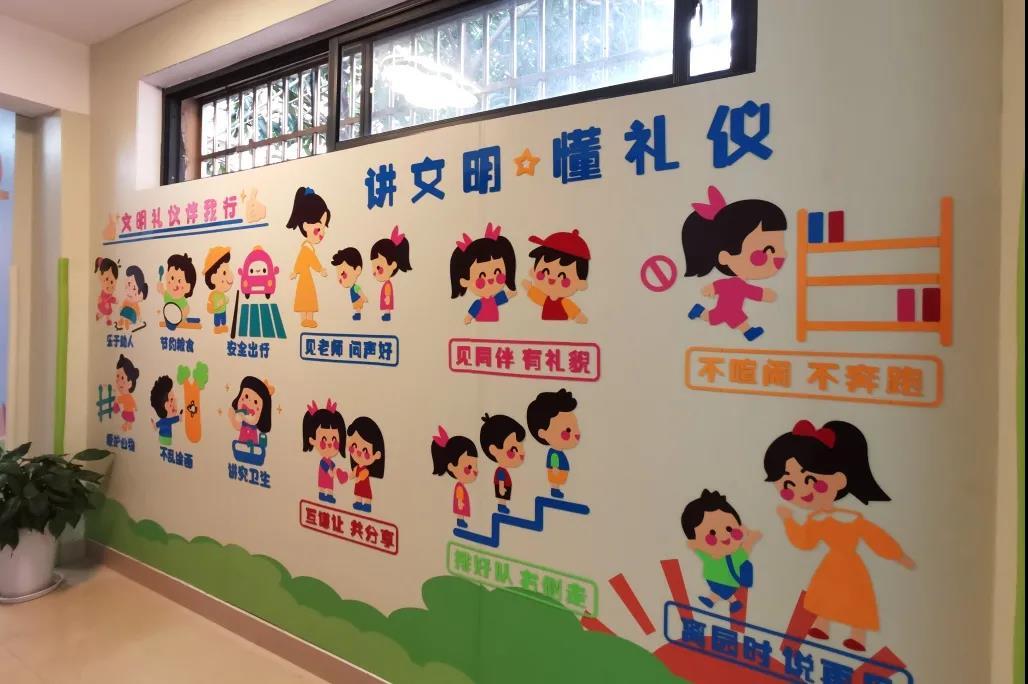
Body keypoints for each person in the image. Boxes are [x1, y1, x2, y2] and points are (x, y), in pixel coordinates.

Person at [764, 419, 916, 652]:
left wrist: (899, 556)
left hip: (851, 566)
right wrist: (788, 521)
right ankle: (822, 625)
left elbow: (876, 538)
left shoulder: (853, 518)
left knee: (856, 599)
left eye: (810, 479)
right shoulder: (816, 519)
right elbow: (804, 541)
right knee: (825, 595)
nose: (802, 491)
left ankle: (858, 635)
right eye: (788, 485)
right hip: (830, 565)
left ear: (839, 479)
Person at [681, 185, 787, 342]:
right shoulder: (737, 285)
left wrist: (711, 288)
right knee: (731, 319)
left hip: (726, 309)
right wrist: (765, 295)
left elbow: (719, 286)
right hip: (730, 310)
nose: (782, 256)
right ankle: (748, 332)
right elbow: (752, 292)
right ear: (725, 257)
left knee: (714, 317)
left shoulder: (733, 283)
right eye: (768, 250)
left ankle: (700, 311)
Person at [680, 489, 762, 613]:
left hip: (727, 581)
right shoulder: (708, 555)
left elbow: (746, 548)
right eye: (712, 533)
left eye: (729, 529)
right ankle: (718, 601)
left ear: (741, 528)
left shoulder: (735, 556)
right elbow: (697, 549)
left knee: (722, 592)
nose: (724, 536)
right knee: (718, 592)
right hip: (715, 580)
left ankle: (732, 602)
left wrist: (751, 538)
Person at [449, 223, 518, 324]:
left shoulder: (495, 300)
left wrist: (511, 294)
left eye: (497, 272)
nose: (490, 279)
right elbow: (472, 313)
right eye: (481, 276)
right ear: (464, 281)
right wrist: (468, 318)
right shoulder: (478, 304)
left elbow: (505, 296)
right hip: (482, 323)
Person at [521, 229, 590, 323]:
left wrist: (578, 316)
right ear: (534, 271)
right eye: (544, 271)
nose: (552, 279)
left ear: (579, 283)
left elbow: (573, 311)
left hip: (564, 327)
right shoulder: (546, 299)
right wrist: (529, 288)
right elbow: (538, 297)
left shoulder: (564, 302)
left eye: (563, 277)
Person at [286, 187, 330, 328]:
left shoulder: (306, 247)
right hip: (305, 278)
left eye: (324, 228)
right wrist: (320, 269)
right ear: (305, 226)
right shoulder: (306, 249)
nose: (322, 233)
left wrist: (295, 271)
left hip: (304, 277)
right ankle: (306, 319)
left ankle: (306, 319)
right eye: (319, 228)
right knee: (307, 298)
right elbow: (311, 261)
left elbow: (301, 261)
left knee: (305, 298)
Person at [526, 389, 581, 499]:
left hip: (560, 473)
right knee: (556, 481)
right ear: (542, 433)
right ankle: (555, 490)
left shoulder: (557, 452)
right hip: (556, 473)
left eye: (575, 426)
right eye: (568, 430)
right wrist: (555, 469)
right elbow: (554, 464)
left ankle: (556, 489)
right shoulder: (554, 454)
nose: (577, 433)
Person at [430, 426, 478, 529]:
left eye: (475, 466)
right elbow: (459, 497)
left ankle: (461, 520)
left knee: (462, 511)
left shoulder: (461, 486)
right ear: (451, 466)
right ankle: (460, 520)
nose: (475, 471)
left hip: (461, 504)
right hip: (460, 505)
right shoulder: (459, 487)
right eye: (469, 467)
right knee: (461, 512)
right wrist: (460, 503)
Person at [302, 399, 349, 504]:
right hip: (325, 476)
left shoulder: (331, 461)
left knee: (330, 486)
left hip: (329, 477)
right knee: (324, 485)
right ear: (312, 440)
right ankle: (322, 494)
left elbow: (333, 467)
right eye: (324, 440)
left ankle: (329, 496)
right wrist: (331, 472)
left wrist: (338, 473)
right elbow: (325, 467)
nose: (329, 444)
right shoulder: (323, 461)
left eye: (334, 439)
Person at [479, 413, 526, 513]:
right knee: (502, 496)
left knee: (504, 496)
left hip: (504, 485)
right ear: (494, 450)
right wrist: (501, 488)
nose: (521, 453)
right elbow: (500, 480)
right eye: (513, 449)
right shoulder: (501, 471)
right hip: (502, 486)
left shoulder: (502, 470)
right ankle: (501, 506)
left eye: (521, 446)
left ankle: (502, 505)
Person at [369, 226, 412, 322]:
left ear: (393, 265)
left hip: (387, 299)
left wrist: (388, 298)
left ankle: (387, 315)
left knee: (387, 307)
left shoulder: (388, 284)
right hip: (386, 299)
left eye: (378, 267)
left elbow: (388, 292)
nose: (374, 272)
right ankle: (386, 314)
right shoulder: (386, 283)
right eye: (373, 267)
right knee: (386, 307)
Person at [347, 416, 385, 513]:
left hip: (363, 485)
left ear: (376, 454)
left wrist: (358, 478)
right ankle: (358, 503)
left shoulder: (365, 469)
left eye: (365, 450)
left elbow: (364, 474)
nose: (359, 452)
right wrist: (348, 476)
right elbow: (352, 474)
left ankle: (367, 505)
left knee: (366, 494)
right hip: (358, 484)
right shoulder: (357, 467)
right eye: (354, 446)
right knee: (358, 494)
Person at [331, 248, 368, 321]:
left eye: (343, 274)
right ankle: (357, 314)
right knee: (356, 307)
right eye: (338, 276)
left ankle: (358, 315)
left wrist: (364, 298)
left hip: (357, 300)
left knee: (357, 307)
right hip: (355, 300)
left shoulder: (355, 287)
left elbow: (360, 292)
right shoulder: (352, 288)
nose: (340, 279)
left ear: (357, 270)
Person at [203, 246, 233, 334]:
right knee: (217, 321)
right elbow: (210, 306)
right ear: (213, 278)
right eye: (224, 272)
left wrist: (225, 300)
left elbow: (226, 300)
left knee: (223, 320)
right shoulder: (213, 295)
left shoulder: (222, 294)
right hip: (217, 312)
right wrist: (216, 306)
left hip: (223, 311)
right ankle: (217, 327)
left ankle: (223, 326)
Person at [149, 375, 181, 446]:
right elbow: (175, 419)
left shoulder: (164, 421)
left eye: (174, 399)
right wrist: (179, 417)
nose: (175, 401)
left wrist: (154, 425)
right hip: (165, 438)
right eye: (171, 400)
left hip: (165, 439)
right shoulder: (166, 420)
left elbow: (156, 426)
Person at [113, 355, 139, 433]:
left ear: (130, 383)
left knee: (128, 421)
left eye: (122, 378)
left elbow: (131, 402)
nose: (118, 381)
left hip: (128, 412)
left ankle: (127, 426)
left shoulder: (127, 397)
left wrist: (135, 407)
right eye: (117, 376)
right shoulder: (125, 397)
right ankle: (127, 425)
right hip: (127, 411)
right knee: (128, 420)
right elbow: (118, 401)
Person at [94, 257, 119, 325]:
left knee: (107, 313)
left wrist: (114, 300)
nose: (108, 284)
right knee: (103, 312)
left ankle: (107, 319)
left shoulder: (109, 293)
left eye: (111, 282)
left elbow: (110, 298)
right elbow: (105, 297)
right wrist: (100, 299)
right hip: (103, 304)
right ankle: (100, 316)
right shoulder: (104, 291)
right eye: (107, 279)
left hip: (106, 306)